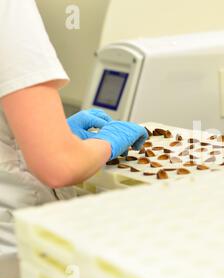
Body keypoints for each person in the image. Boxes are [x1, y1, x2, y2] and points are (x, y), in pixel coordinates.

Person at [0, 0, 147, 234]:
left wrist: (46, 136)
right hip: (14, 241)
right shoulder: (11, 8)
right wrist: (107, 141)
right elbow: (60, 167)